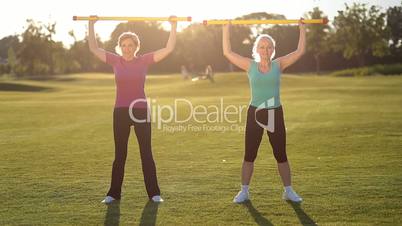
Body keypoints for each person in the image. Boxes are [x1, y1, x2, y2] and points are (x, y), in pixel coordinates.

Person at [88, 15, 177, 204]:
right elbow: (93, 48)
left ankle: (154, 193)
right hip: (120, 111)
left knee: (146, 152)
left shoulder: (143, 60)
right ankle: (113, 194)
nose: (127, 48)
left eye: (131, 45)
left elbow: (168, 48)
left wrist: (173, 25)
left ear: (136, 47)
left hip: (141, 111)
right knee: (120, 154)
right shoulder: (115, 61)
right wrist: (91, 24)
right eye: (124, 45)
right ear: (120, 47)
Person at [222, 19, 306, 203]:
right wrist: (226, 29)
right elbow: (227, 52)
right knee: (249, 155)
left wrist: (302, 28)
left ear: (273, 50)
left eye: (268, 47)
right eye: (262, 46)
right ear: (257, 49)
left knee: (281, 155)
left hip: (275, 113)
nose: (265, 50)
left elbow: (300, 51)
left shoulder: (279, 64)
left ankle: (288, 191)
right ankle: (244, 191)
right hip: (255, 114)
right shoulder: (250, 65)